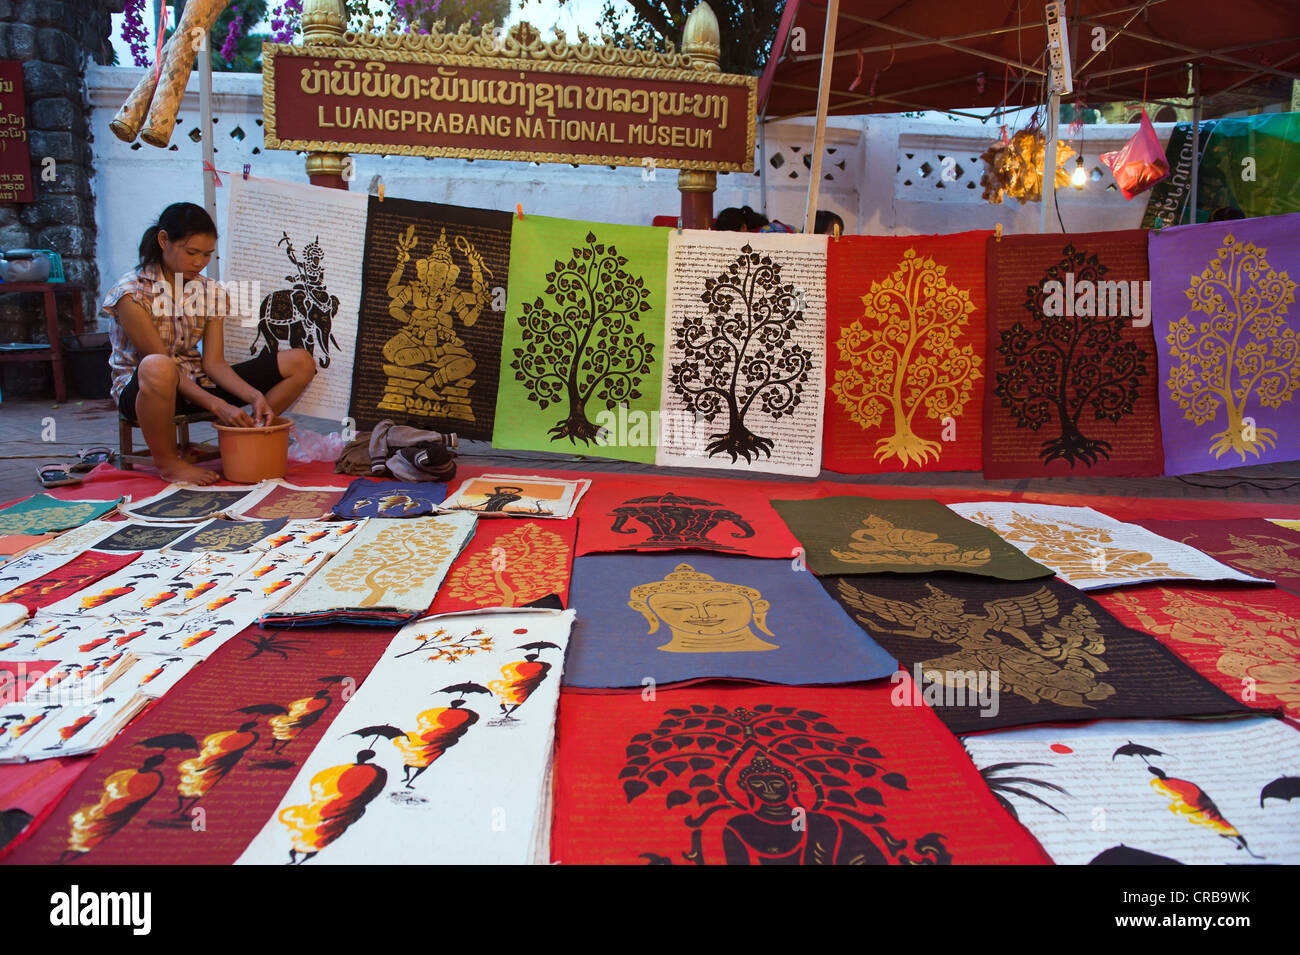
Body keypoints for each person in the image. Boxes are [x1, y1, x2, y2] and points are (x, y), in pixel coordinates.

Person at [104, 203, 316, 484]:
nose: (199, 262)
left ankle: (246, 436)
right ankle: (168, 463)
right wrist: (218, 405)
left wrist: (254, 396)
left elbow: (213, 363)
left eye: (207, 255)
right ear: (164, 240)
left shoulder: (209, 291)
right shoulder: (131, 294)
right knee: (159, 366)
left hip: (197, 382)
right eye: (191, 252)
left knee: (301, 362)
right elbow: (158, 363)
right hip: (148, 393)